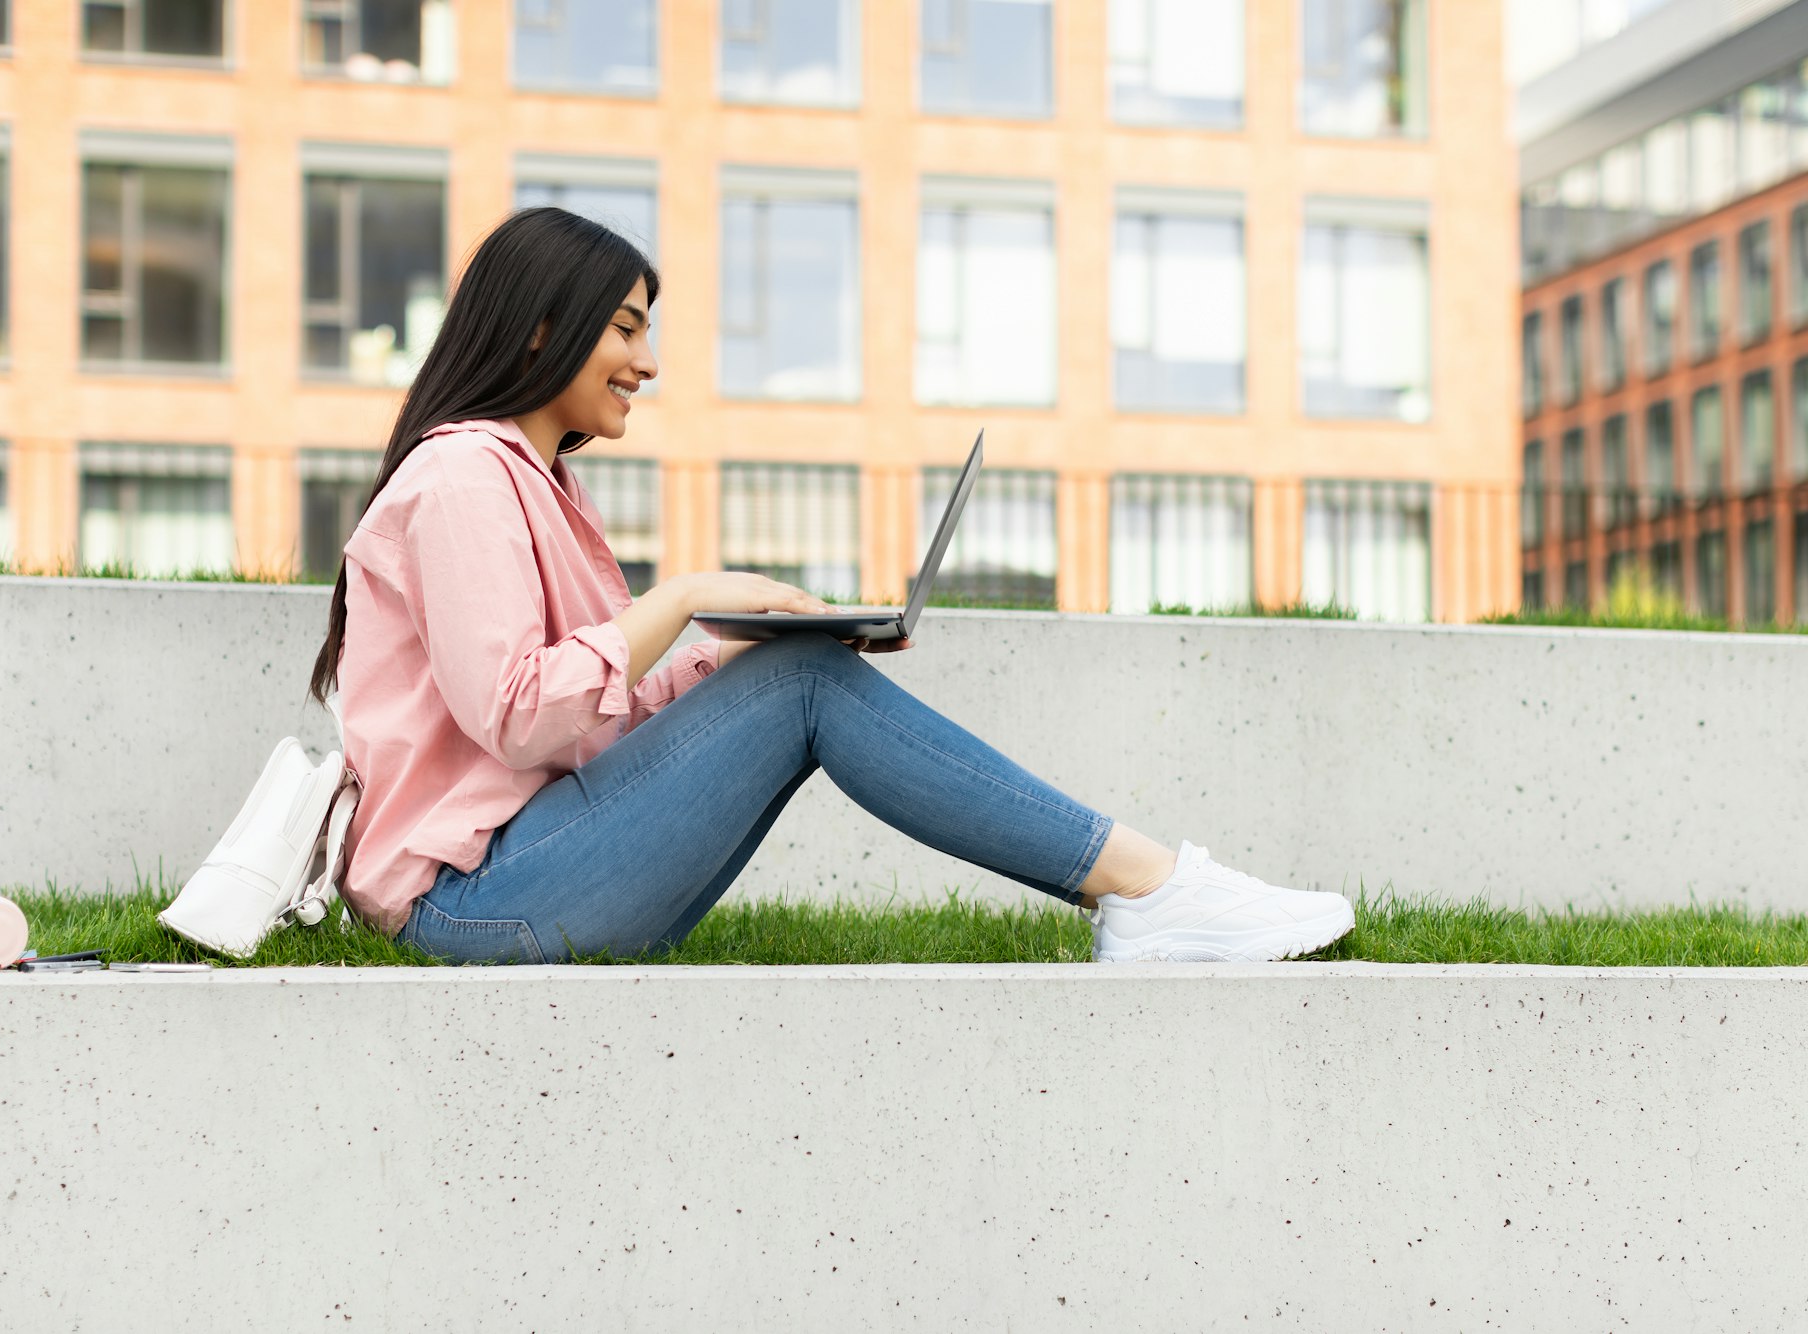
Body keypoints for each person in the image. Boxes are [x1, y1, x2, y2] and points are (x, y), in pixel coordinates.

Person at [310, 207, 1355, 966]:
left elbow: (586, 726)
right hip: (473, 903)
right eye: (625, 327)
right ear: (540, 328)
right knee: (806, 688)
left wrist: (727, 656)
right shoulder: (459, 475)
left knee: (796, 671)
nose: (648, 360)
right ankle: (1150, 888)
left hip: (534, 867)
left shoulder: (538, 484)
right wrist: (680, 596)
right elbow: (518, 717)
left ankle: (1144, 895)